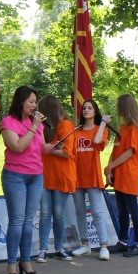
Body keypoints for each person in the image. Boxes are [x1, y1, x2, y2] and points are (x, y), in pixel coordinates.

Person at [0, 86, 52, 274]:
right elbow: (18, 146)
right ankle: (12, 263)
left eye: (35, 102)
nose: (34, 105)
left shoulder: (38, 125)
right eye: (31, 101)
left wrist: (53, 147)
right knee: (17, 220)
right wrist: (33, 126)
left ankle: (26, 260)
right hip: (15, 176)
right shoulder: (9, 122)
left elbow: (40, 148)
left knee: (29, 222)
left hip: (36, 175)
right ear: (21, 101)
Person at [104, 94, 138, 257]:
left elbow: (129, 153)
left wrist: (111, 166)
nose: (117, 109)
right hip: (119, 174)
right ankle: (123, 241)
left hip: (129, 175)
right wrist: (110, 170)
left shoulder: (135, 129)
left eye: (118, 106)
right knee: (122, 210)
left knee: (132, 209)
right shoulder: (122, 128)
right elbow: (115, 150)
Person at [71, 99, 115, 260]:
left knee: (97, 211)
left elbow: (97, 142)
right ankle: (84, 245)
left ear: (95, 111)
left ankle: (104, 246)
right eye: (84, 108)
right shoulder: (76, 131)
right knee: (80, 212)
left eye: (90, 108)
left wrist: (103, 122)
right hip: (77, 176)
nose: (86, 110)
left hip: (92, 175)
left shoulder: (100, 130)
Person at [35, 95, 76, 263]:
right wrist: (50, 148)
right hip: (45, 174)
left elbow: (67, 153)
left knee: (58, 214)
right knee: (45, 213)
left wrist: (49, 149)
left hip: (62, 175)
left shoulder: (65, 125)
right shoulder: (42, 126)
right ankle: (43, 249)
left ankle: (59, 248)